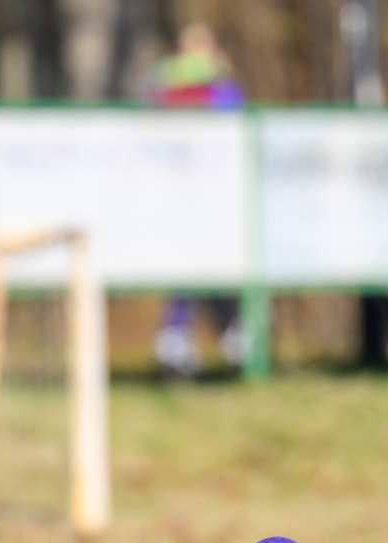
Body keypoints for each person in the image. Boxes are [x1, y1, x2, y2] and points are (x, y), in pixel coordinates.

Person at [148, 24, 245, 377]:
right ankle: (222, 337)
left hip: (180, 193)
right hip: (207, 191)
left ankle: (179, 338)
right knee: (206, 268)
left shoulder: (162, 85)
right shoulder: (219, 87)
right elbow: (238, 121)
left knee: (191, 269)